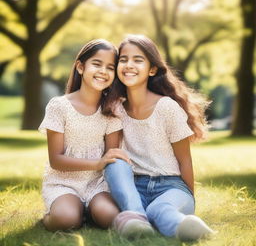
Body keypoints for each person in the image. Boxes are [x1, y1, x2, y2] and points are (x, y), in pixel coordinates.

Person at [104, 34, 214, 241]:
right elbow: (112, 156)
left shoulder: (167, 107)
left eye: (138, 60)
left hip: (171, 186)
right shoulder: (115, 108)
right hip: (133, 188)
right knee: (114, 160)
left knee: (160, 208)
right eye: (123, 59)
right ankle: (135, 216)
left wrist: (189, 198)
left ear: (152, 69)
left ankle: (183, 225)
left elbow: (185, 160)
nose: (129, 65)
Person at [38, 39, 130, 231]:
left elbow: (111, 155)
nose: (103, 71)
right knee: (66, 220)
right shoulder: (59, 106)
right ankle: (51, 216)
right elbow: (56, 160)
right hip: (64, 182)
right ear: (81, 67)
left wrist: (103, 167)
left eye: (110, 67)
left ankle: (89, 210)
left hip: (97, 183)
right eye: (96, 64)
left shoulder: (112, 109)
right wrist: (97, 163)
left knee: (111, 217)